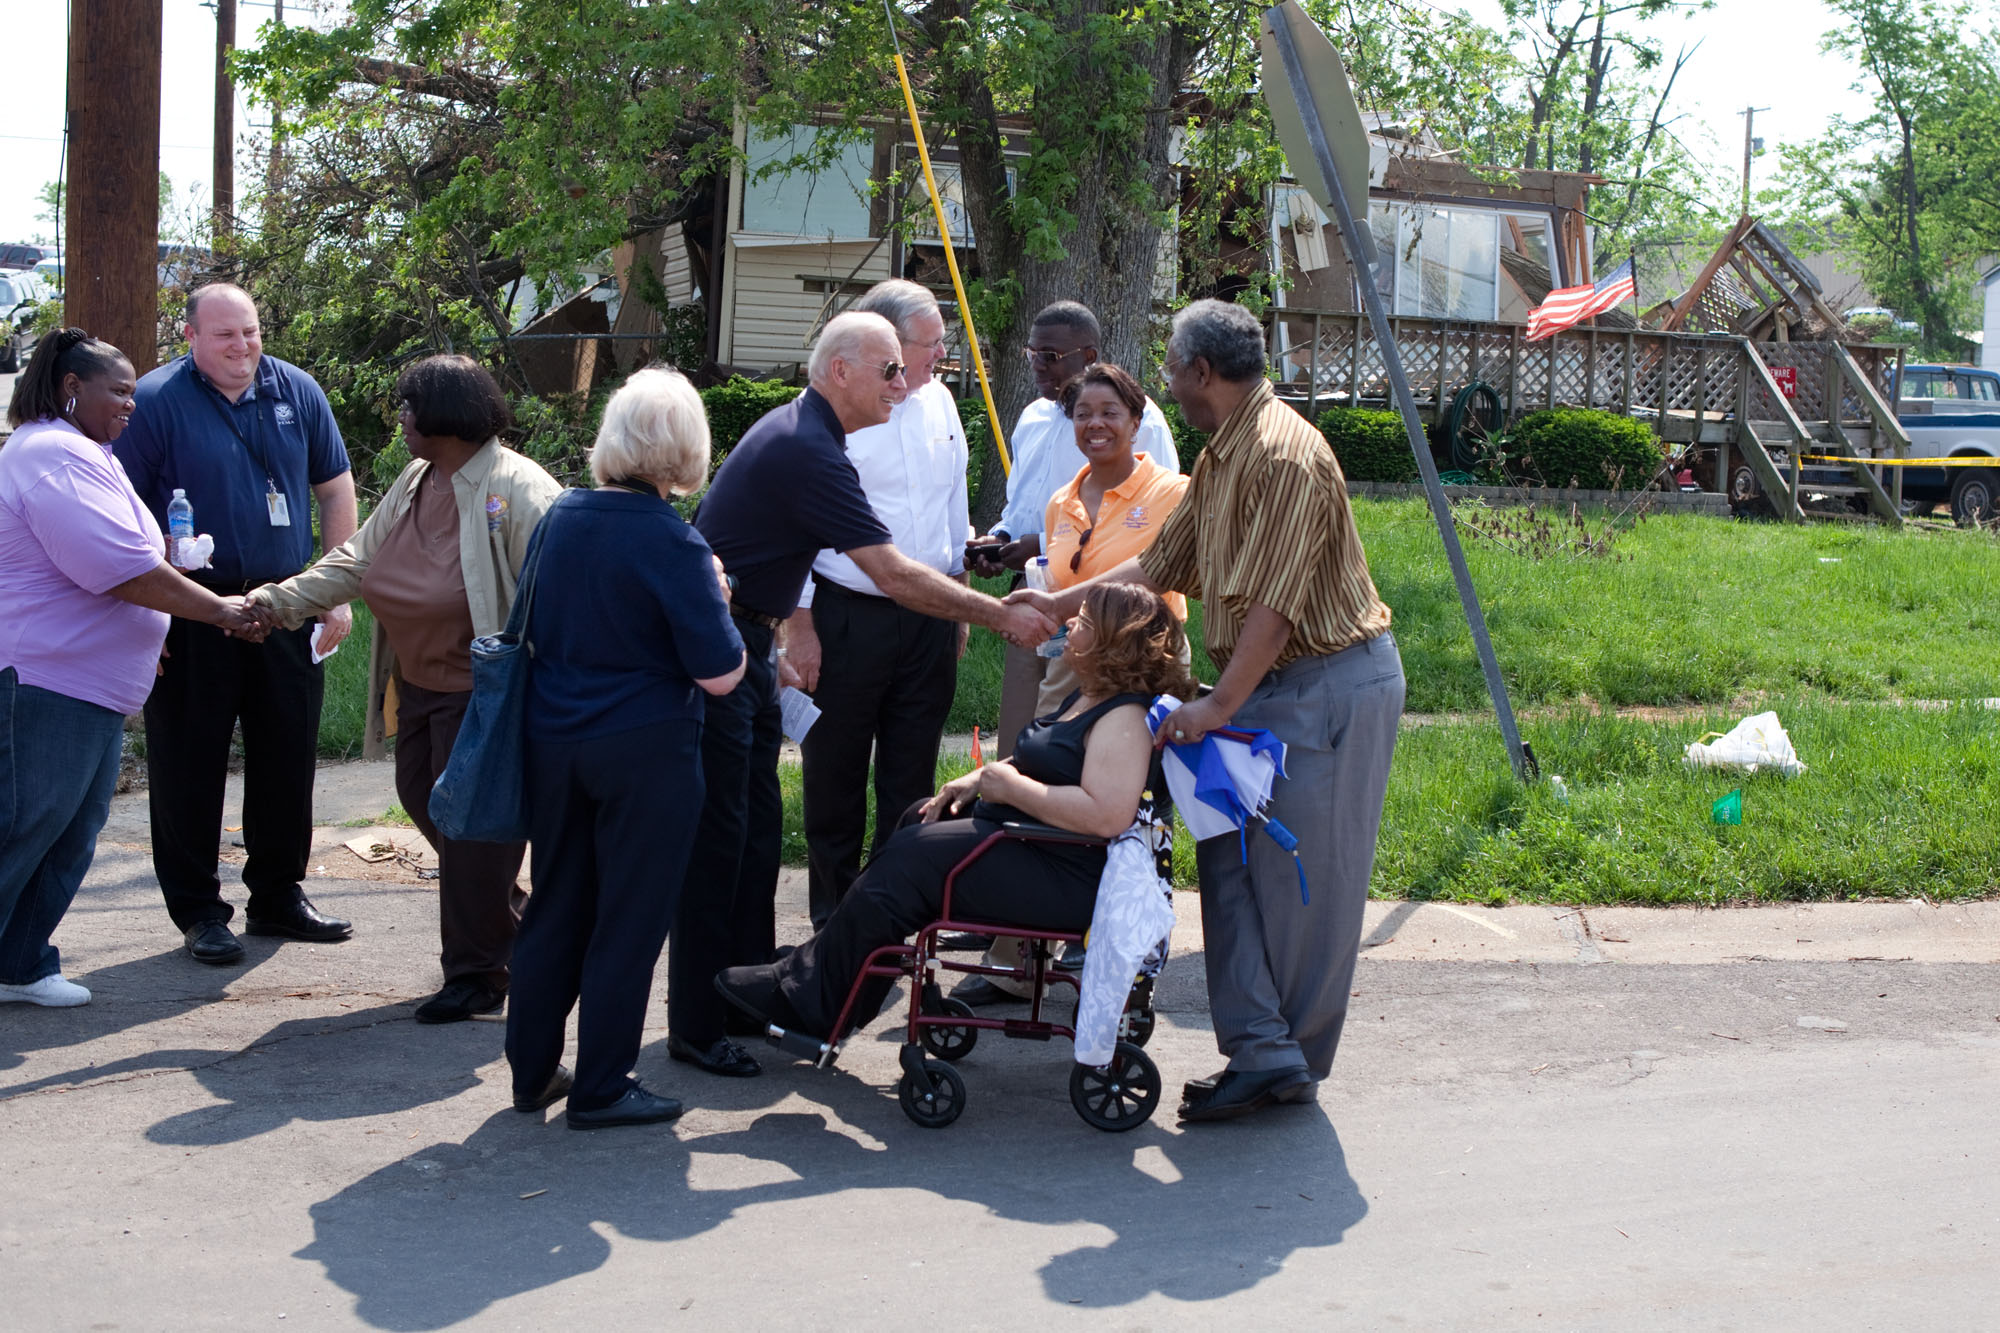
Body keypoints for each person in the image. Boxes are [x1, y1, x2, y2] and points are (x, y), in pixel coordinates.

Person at [1009, 298, 1404, 1125]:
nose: (1167, 385)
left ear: (1200, 372)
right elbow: (1158, 566)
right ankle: (1262, 1047)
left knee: (1299, 886)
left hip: (1324, 681)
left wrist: (1216, 705)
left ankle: (1283, 1058)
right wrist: (1050, 604)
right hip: (1261, 683)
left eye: (1171, 369)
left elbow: (1277, 605)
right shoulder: (1222, 452)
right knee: (1224, 859)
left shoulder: (1287, 455)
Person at [674, 311, 1054, 1080]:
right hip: (727, 643)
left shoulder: (814, 433)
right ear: (838, 370)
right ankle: (695, 1021)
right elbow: (888, 570)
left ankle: (748, 991)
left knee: (751, 834)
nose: (904, 383)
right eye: (889, 369)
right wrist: (997, 613)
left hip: (747, 639)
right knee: (722, 842)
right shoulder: (809, 446)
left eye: (904, 369)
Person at [714, 582, 1194, 1043]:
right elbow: (1049, 760)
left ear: (1114, 642)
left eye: (1084, 621)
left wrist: (1013, 787)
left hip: (1070, 876)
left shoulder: (1125, 719)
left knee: (911, 860)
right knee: (917, 820)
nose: (1070, 623)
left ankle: (809, 999)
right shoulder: (1090, 694)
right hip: (1036, 844)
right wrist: (977, 779)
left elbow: (1107, 816)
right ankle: (827, 983)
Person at [246, 354, 563, 1023]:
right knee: (427, 805)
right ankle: (521, 926)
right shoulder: (420, 478)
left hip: (485, 699)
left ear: (446, 415)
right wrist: (277, 602)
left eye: (410, 406)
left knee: (473, 837)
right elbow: (358, 558)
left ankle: (478, 975)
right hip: (417, 687)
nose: (402, 419)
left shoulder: (519, 491)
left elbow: (562, 601)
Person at [505, 367, 747, 1130]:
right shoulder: (677, 542)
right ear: (686, 450)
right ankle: (604, 1081)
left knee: (556, 904)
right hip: (645, 747)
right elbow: (721, 672)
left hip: (554, 735)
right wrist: (722, 595)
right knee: (631, 917)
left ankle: (533, 1068)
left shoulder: (560, 516)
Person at [0, 330, 266, 1007]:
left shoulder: (89, 451)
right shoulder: (50, 453)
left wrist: (155, 624)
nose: (130, 403)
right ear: (70, 388)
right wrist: (220, 611)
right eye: (117, 390)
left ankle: (21, 962)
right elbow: (118, 567)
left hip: (88, 684)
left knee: (67, 829)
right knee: (26, 825)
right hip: (45, 680)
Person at [114, 283, 360, 966]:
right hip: (192, 607)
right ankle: (198, 910)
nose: (243, 346)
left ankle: (279, 894)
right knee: (189, 759)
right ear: (189, 336)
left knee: (287, 756)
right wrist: (145, 615)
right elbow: (122, 514)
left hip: (286, 602)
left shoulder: (297, 390)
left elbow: (336, 487)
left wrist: (335, 594)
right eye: (226, 335)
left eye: (250, 332)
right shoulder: (157, 402)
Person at [954, 361, 1192, 1005]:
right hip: (1074, 667)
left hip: (1146, 673)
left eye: (1110, 413)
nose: (1095, 425)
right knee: (1044, 795)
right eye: (1083, 414)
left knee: (1133, 813)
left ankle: (1110, 948)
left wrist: (1059, 606)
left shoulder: (1172, 492)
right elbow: (1056, 582)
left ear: (1137, 422)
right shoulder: (1062, 501)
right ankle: (1015, 955)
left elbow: (1151, 574)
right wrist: (1035, 604)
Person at [785, 281, 971, 932]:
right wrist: (800, 623)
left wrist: (957, 605)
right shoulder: (837, 414)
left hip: (927, 618)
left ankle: (895, 921)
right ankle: (833, 925)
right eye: (930, 343)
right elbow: (796, 523)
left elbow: (955, 505)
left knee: (911, 777)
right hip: (845, 613)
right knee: (833, 772)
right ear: (886, 347)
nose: (942, 353)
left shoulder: (942, 403)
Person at [964, 301, 1179, 761]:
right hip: (1037, 598)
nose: (1039, 366)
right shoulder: (1032, 418)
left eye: (1052, 356)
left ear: (1089, 354)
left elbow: (1158, 525)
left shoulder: (1143, 422)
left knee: (1100, 750)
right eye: (1033, 353)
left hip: (1118, 624)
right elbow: (1022, 506)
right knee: (1027, 737)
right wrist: (1001, 542)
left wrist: (1035, 546)